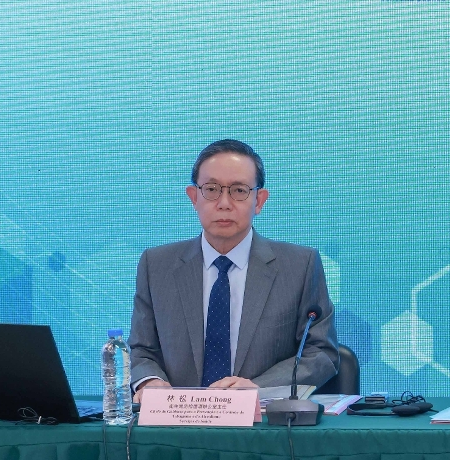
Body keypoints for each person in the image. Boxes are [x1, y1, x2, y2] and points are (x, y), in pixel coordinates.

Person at [129, 139, 337, 399]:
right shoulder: (156, 265)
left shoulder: (300, 266)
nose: (224, 203)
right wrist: (150, 381)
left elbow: (321, 353)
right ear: (193, 197)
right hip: (178, 418)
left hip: (261, 420)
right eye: (212, 189)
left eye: (239, 190)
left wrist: (259, 388)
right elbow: (142, 350)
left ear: (259, 201)